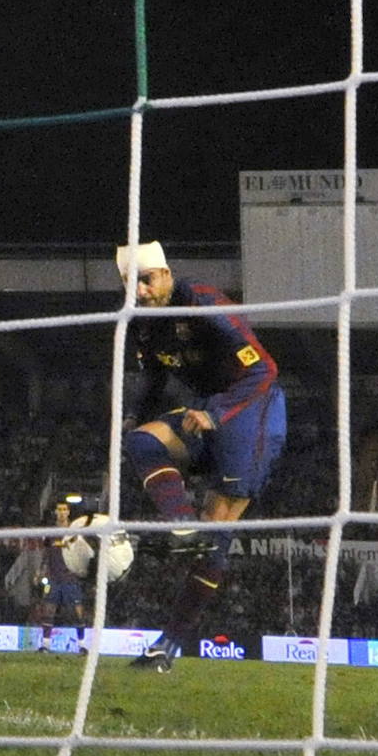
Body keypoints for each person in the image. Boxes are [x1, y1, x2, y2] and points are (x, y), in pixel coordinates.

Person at [118, 241, 287, 673]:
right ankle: (181, 523)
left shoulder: (205, 303)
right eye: (129, 282)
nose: (139, 290)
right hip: (205, 410)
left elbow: (264, 370)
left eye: (146, 279)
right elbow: (156, 375)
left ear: (168, 274)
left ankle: (167, 647)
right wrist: (135, 415)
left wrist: (215, 413)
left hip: (252, 412)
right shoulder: (144, 323)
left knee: (218, 537)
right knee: (140, 442)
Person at [35, 502, 87, 654]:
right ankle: (45, 645)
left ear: (69, 512)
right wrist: (40, 571)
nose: (62, 512)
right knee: (48, 610)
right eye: (59, 509)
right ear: (55, 512)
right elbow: (46, 553)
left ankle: (82, 645)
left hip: (71, 578)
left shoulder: (75, 532)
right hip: (52, 579)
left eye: (65, 509)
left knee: (78, 613)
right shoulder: (51, 532)